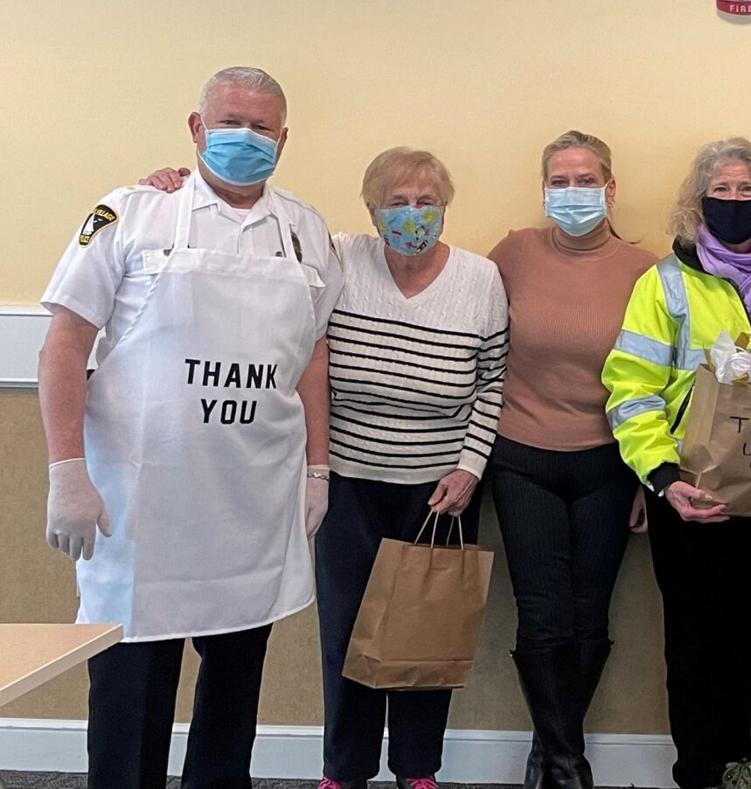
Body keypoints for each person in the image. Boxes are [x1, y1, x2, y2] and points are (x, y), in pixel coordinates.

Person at [140, 147, 510, 788]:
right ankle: (345, 770)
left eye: (426, 200)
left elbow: (493, 379)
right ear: (372, 211)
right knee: (345, 636)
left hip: (439, 488)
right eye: (397, 202)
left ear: (446, 206)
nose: (413, 213)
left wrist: (472, 467)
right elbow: (246, 266)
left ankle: (418, 768)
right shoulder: (338, 255)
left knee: (425, 632)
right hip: (346, 481)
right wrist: (168, 192)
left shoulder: (480, 279)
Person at [38, 66, 344, 789]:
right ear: (196, 128)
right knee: (129, 693)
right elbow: (63, 344)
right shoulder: (133, 213)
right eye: (230, 121)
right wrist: (65, 470)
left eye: (262, 126)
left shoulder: (304, 230)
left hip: (251, 505)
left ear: (285, 137)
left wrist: (318, 468)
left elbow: (313, 356)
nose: (246, 136)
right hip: (141, 509)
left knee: (234, 691)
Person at [604, 137, 751, 789]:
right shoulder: (664, 281)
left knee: (739, 633)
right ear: (699, 202)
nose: (733, 200)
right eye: (720, 190)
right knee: (694, 638)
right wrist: (663, 478)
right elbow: (631, 385)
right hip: (688, 491)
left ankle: (734, 759)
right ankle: (696, 769)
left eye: (746, 190)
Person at [487, 130, 657, 788]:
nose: (572, 192)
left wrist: (650, 473)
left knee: (592, 612)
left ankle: (553, 747)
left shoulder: (645, 270)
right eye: (559, 180)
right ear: (542, 188)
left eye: (585, 180)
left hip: (609, 461)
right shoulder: (512, 254)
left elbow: (660, 377)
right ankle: (566, 758)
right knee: (543, 613)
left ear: (611, 189)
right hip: (521, 455)